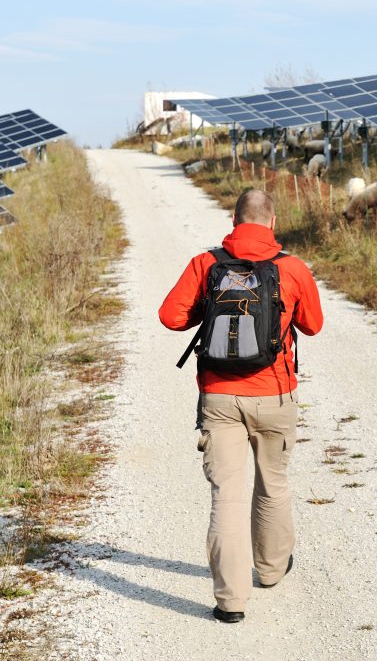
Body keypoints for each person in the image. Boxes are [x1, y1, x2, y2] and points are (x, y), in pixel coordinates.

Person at [158, 188, 323, 623]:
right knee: (274, 483)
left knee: (226, 497)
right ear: (272, 222)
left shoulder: (206, 264)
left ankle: (231, 601)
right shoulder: (291, 267)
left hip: (219, 398)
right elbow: (313, 324)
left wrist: (208, 308)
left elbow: (170, 316)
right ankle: (270, 570)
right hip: (276, 394)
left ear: (234, 222)